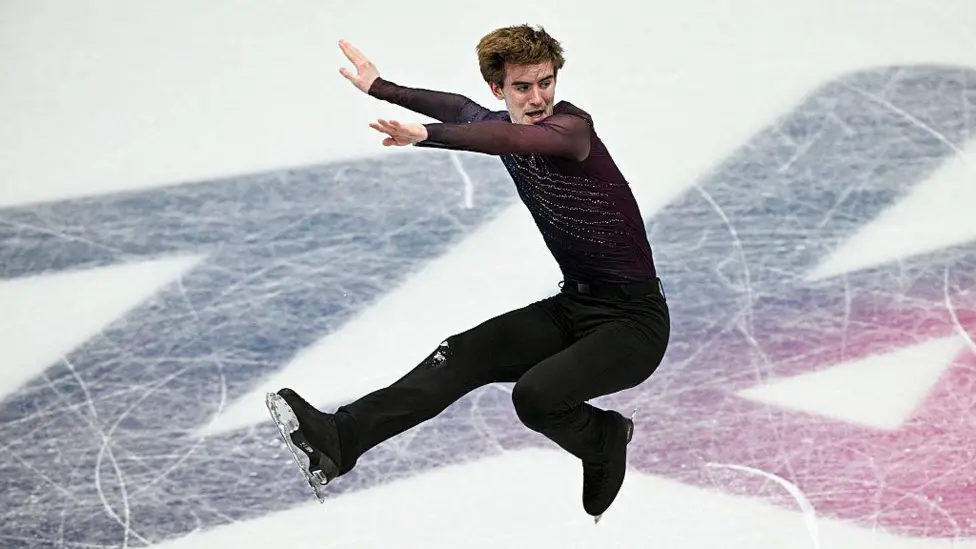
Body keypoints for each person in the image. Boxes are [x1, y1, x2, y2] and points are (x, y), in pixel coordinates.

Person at [267, 24, 670, 522]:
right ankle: (342, 438)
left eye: (546, 82)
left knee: (537, 396)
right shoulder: (503, 119)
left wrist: (427, 137)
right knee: (461, 354)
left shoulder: (571, 130)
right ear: (498, 89)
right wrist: (380, 87)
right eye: (523, 86)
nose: (539, 97)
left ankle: (604, 436)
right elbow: (463, 110)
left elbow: (498, 137)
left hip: (634, 323)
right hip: (576, 306)